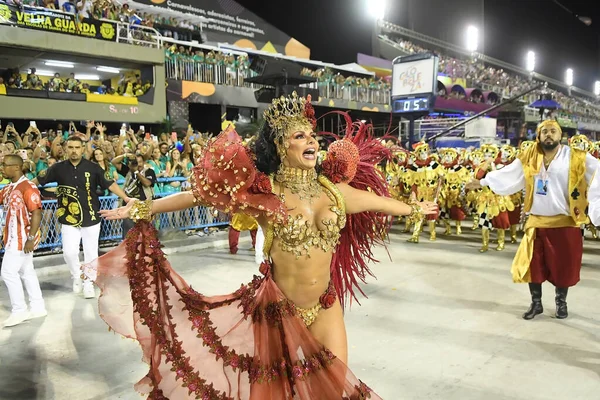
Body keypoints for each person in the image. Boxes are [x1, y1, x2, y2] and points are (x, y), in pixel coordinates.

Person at [84, 93, 437, 398]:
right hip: (278, 312)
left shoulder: (334, 191)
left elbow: (379, 202)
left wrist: (415, 208)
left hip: (325, 306)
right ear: (283, 146)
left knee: (334, 389)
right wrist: (147, 206)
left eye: (312, 135)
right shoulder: (266, 192)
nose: (312, 140)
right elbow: (198, 197)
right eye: (300, 135)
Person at [467, 120, 600, 320]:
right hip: (537, 221)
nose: (548, 134)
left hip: (566, 222)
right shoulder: (529, 156)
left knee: (564, 266)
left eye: (553, 131)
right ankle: (536, 303)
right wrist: (483, 181)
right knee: (533, 264)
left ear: (560, 135)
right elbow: (509, 175)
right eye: (544, 131)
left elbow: (598, 172)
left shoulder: (575, 156)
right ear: (538, 136)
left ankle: (560, 303)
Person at [34, 136, 130, 299]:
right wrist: (21, 188)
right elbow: (38, 180)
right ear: (65, 149)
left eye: (77, 147)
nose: (74, 150)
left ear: (83, 149)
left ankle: (89, 283)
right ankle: (76, 275)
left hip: (91, 216)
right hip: (68, 217)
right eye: (70, 147)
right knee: (69, 253)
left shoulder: (93, 167)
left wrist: (126, 198)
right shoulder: (57, 168)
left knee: (91, 253)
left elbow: (110, 184)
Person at [0, 155, 47, 327]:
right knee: (27, 272)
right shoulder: (10, 187)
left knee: (8, 273)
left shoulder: (28, 187)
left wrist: (30, 238)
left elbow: (36, 212)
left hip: (21, 238)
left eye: (5, 165)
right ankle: (38, 306)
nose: (2, 168)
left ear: (17, 167)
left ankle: (19, 310)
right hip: (12, 237)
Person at [118, 154, 156, 239]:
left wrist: (136, 172)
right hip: (129, 207)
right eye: (136, 162)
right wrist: (125, 155)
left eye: (140, 162)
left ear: (143, 162)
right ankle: (130, 251)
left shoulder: (149, 171)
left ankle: (148, 251)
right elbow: (114, 162)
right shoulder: (128, 171)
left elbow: (147, 183)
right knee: (129, 234)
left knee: (148, 233)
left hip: (144, 205)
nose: (138, 164)